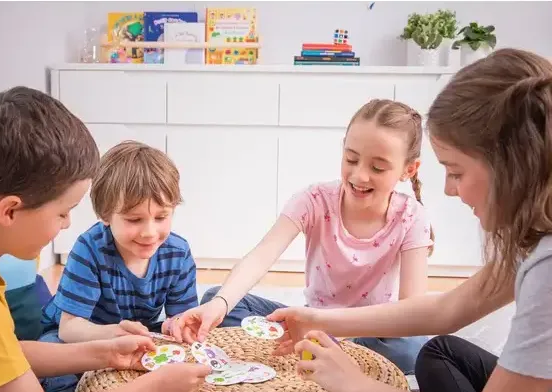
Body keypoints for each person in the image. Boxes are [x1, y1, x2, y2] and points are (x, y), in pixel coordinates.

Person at [267, 48, 552, 392]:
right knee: (442, 352)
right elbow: (448, 309)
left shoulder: (547, 268)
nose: (451, 190)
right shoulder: (537, 237)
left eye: (456, 172)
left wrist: (358, 386)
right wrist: (318, 318)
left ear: (513, 166)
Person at [0, 87, 211, 392]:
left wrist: (105, 352)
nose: (68, 223)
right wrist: (152, 389)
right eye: (63, 212)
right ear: (10, 211)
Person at [171, 99, 434, 374]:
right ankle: (327, 350)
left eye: (378, 168)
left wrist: (342, 330)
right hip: (312, 322)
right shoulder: (315, 199)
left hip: (370, 329)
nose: (359, 175)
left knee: (414, 347)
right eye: (351, 159)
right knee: (218, 298)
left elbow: (411, 312)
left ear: (409, 169)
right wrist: (220, 304)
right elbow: (262, 255)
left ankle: (328, 348)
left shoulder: (411, 216)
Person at [40, 141, 198, 343]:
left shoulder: (178, 253)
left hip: (135, 334)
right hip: (82, 334)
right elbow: (69, 328)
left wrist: (175, 324)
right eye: (134, 219)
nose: (149, 233)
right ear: (105, 215)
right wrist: (114, 336)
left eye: (161, 217)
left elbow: (183, 317)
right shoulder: (89, 248)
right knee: (52, 349)